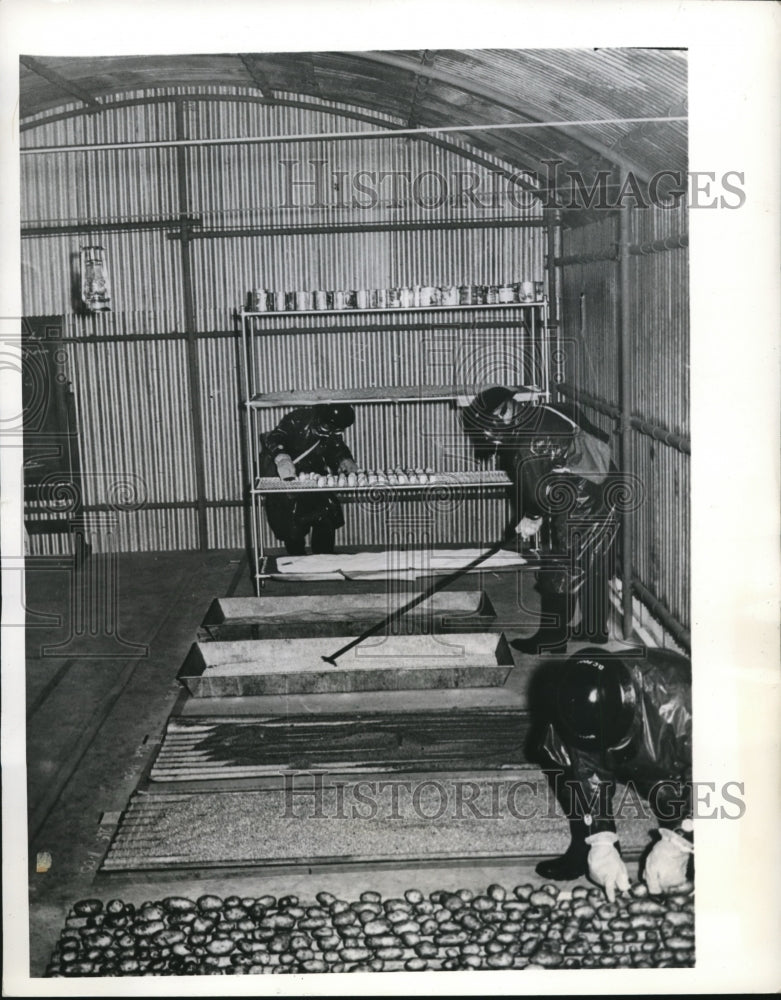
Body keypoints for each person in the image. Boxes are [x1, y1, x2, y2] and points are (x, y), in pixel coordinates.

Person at [528, 646, 693, 899]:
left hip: (670, 765)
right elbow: (586, 770)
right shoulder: (573, 698)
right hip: (622, 736)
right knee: (559, 753)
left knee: (681, 810)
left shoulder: (683, 702)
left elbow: (717, 774)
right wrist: (600, 839)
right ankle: (586, 850)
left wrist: (680, 840)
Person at [462, 386, 619, 653]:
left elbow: (538, 494)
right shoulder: (549, 409)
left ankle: (551, 638)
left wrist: (531, 518)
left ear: (499, 418)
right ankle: (594, 630)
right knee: (594, 559)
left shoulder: (527, 444)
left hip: (581, 499)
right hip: (607, 486)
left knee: (561, 565)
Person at [259, 403, 358, 556]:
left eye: (335, 430)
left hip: (315, 473)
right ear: (321, 418)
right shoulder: (298, 419)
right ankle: (297, 557)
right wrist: (282, 456)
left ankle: (324, 556)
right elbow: (276, 437)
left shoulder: (330, 427)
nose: (330, 433)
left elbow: (336, 445)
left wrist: (344, 459)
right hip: (288, 472)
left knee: (326, 514)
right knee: (292, 519)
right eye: (327, 429)